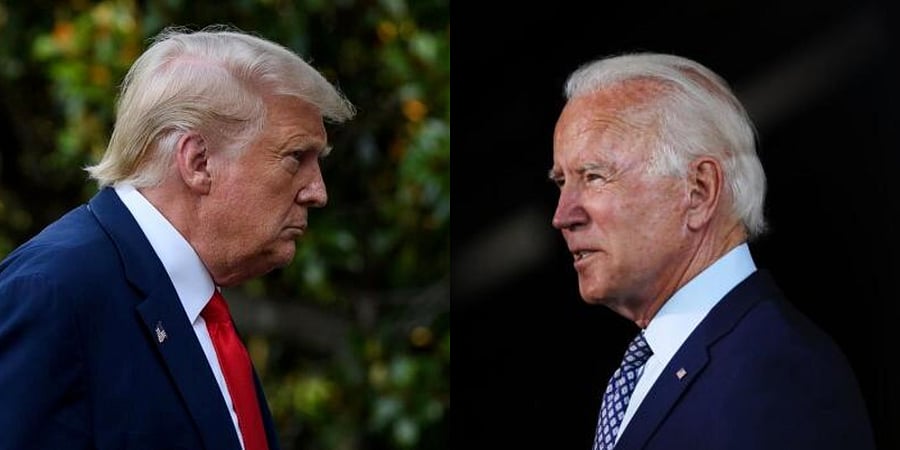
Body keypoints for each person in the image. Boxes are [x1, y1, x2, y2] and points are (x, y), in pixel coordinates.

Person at [0, 25, 355, 449]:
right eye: (296, 157)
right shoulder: (52, 292)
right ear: (198, 161)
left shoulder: (197, 303)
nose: (318, 192)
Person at [548, 52, 875, 450]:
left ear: (699, 191)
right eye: (561, 182)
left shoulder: (778, 366)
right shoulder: (662, 364)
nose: (562, 216)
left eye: (595, 177)